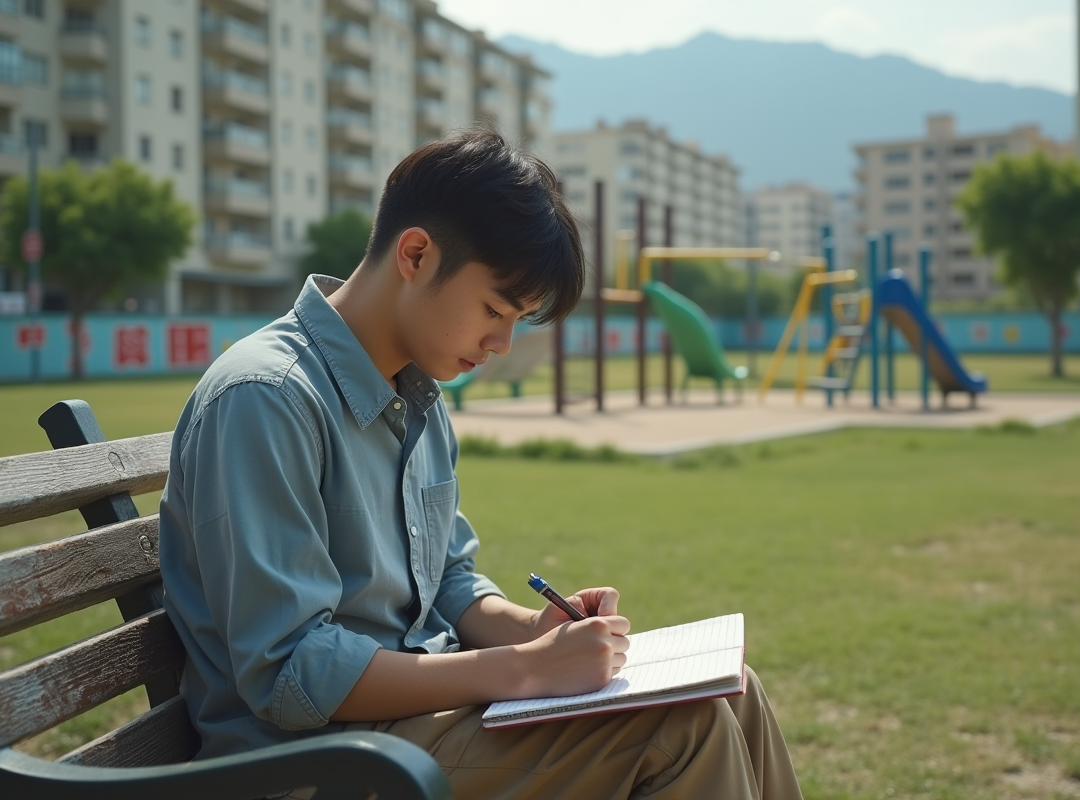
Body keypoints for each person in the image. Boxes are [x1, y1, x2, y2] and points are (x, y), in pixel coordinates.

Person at [159, 128, 803, 800]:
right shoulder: (268, 399)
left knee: (737, 691)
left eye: (518, 320)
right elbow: (292, 673)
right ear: (414, 254)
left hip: (412, 727)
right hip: (318, 764)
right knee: (685, 728)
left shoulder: (416, 394)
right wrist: (524, 670)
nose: (500, 343)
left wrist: (536, 629)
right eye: (495, 309)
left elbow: (448, 580)